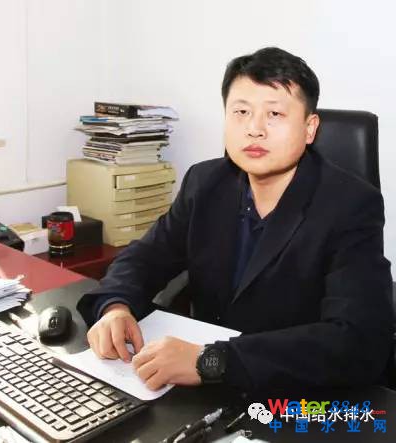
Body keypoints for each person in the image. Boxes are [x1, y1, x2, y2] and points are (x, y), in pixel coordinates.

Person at [77, 47, 394, 391]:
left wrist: (212, 361)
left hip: (291, 393)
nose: (254, 129)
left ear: (309, 128)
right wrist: (115, 306)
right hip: (203, 391)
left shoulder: (350, 205)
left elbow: (357, 341)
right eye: (241, 111)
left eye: (274, 114)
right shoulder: (205, 183)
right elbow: (146, 256)